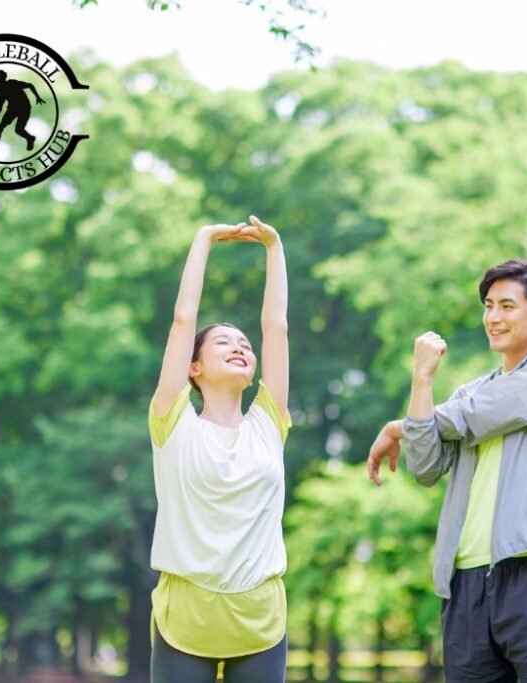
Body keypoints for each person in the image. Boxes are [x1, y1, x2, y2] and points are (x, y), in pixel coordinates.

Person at [368, 260, 527, 683]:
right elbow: (426, 464)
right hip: (465, 582)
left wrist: (401, 426)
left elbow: (478, 415)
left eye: (507, 306)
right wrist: (421, 378)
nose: (493, 317)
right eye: (489, 306)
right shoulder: (469, 391)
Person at [148, 216, 291, 683]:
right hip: (186, 619)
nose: (240, 347)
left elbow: (277, 328)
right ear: (193, 367)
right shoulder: (173, 422)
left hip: (260, 620)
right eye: (224, 342)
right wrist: (204, 238)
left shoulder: (269, 423)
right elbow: (183, 318)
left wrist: (274, 247)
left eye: (244, 344)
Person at [0, 69, 45, 155]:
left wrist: (37, 97)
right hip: (12, 109)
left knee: (18, 130)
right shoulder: (0, 92)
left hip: (24, 107)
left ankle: (30, 138)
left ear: (3, 78)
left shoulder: (12, 83)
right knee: (1, 128)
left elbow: (29, 85)